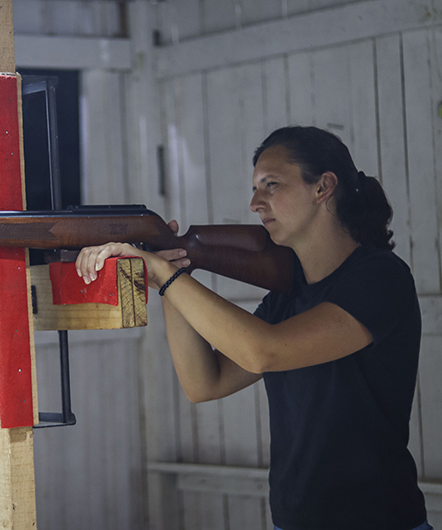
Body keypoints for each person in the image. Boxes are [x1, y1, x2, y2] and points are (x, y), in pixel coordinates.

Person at [76, 126, 430, 530]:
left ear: (323, 187)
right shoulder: (288, 294)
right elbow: (204, 383)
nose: (254, 203)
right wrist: (171, 273)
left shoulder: (380, 278)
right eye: (255, 188)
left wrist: (165, 274)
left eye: (271, 185)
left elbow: (264, 351)